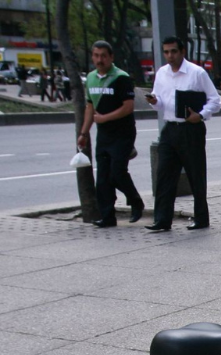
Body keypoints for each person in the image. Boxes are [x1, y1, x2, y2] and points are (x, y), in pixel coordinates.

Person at [144, 36, 221, 232]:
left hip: (191, 128)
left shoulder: (197, 73)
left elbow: (215, 101)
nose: (170, 56)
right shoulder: (162, 73)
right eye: (166, 52)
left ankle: (201, 217)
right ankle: (162, 219)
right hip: (170, 128)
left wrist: (201, 115)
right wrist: (154, 101)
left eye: (173, 51)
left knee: (195, 174)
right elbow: (160, 102)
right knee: (164, 175)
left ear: (182, 52)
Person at [77, 40, 144, 228]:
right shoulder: (90, 78)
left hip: (123, 133)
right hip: (103, 135)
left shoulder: (121, 78)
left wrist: (105, 118)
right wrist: (84, 133)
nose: (100, 60)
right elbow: (90, 107)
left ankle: (135, 201)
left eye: (103, 56)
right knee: (103, 177)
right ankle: (107, 216)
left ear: (111, 57)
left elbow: (128, 107)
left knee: (117, 172)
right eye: (96, 56)